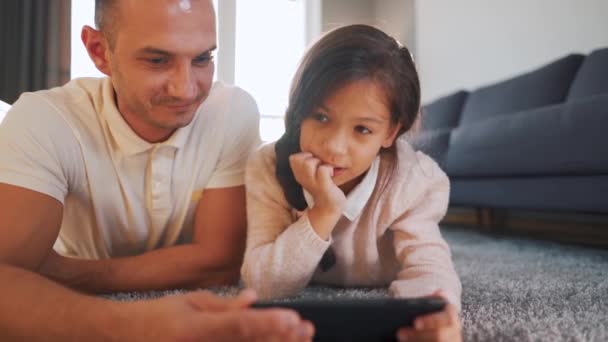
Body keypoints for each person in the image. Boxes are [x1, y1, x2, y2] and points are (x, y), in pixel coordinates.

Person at [0, 0, 313, 340]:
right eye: (157, 60)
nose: (186, 88)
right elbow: (8, 277)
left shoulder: (231, 112)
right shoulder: (44, 120)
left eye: (202, 59)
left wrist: (69, 272)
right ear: (99, 50)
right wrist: (136, 324)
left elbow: (220, 262)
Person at [241, 24, 462, 341]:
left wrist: (439, 313)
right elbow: (264, 285)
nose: (334, 147)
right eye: (320, 117)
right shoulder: (268, 166)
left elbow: (429, 266)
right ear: (298, 112)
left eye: (362, 129)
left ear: (390, 133)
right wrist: (324, 211)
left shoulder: (416, 181)